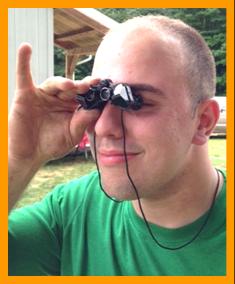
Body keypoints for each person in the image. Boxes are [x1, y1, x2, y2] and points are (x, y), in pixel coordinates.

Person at [8, 15, 226, 276]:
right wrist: (19, 158)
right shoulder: (72, 212)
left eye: (136, 101)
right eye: (96, 101)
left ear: (203, 121)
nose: (102, 127)